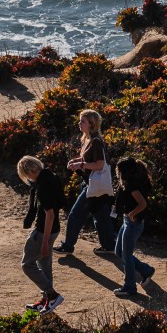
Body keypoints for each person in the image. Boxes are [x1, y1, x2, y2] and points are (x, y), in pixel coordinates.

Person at [54, 109, 116, 255]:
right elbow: (89, 160)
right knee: (101, 216)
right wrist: (76, 161)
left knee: (75, 215)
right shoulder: (86, 139)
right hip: (93, 184)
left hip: (92, 185)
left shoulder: (95, 142)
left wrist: (81, 165)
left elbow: (100, 164)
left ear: (92, 124)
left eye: (83, 121)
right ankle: (109, 246)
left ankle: (68, 246)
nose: (79, 123)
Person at [17, 155, 64, 313]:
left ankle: (52, 295)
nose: (28, 178)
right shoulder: (52, 177)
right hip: (54, 229)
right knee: (44, 266)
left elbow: (49, 214)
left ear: (29, 171)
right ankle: (47, 301)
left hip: (44, 230)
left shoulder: (42, 187)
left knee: (27, 264)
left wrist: (44, 242)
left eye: (26, 174)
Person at [112, 157, 156, 298]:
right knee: (119, 251)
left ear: (124, 171)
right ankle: (146, 270)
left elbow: (142, 204)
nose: (117, 174)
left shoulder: (132, 185)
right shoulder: (127, 184)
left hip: (133, 224)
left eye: (118, 171)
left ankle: (130, 287)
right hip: (127, 222)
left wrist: (132, 213)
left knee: (126, 256)